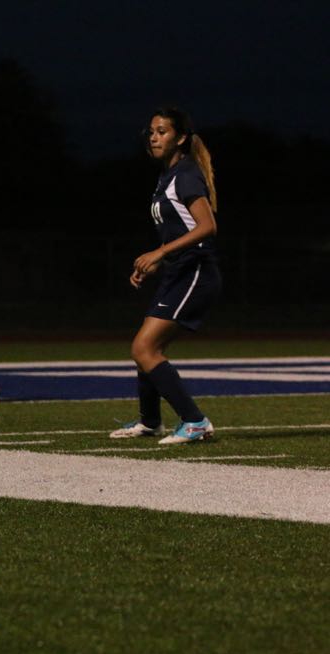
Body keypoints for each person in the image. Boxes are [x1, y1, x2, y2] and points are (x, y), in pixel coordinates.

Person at [110, 107, 220, 444]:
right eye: (152, 132)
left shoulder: (185, 175)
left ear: (181, 138)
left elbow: (207, 227)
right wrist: (157, 262)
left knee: (144, 348)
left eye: (162, 132)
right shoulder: (167, 176)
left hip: (196, 272)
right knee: (145, 348)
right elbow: (178, 230)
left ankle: (195, 421)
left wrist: (160, 252)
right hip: (178, 271)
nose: (154, 137)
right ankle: (150, 422)